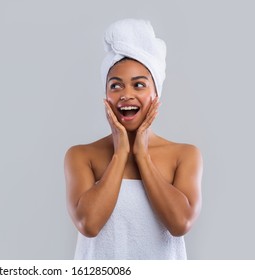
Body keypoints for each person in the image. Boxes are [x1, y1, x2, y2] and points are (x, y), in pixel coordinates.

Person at [64, 19, 203, 259]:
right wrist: (120, 154)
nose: (126, 95)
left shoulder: (185, 155)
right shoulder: (81, 156)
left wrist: (142, 155)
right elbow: (89, 224)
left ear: (155, 94)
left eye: (139, 85)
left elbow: (179, 223)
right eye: (115, 86)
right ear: (106, 95)